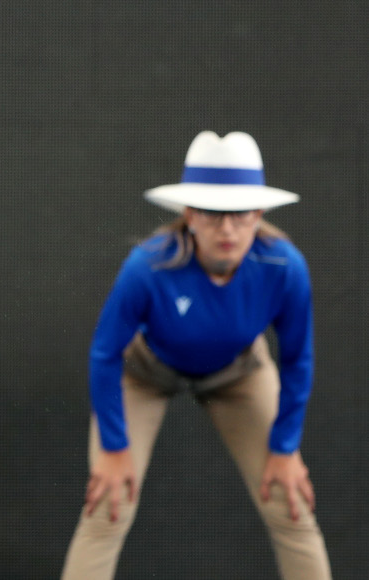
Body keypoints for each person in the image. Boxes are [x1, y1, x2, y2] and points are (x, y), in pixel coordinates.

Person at [60, 131, 331, 580]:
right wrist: (113, 447)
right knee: (108, 503)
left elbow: (297, 359)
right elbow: (105, 352)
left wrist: (285, 448)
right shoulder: (148, 266)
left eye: (240, 214)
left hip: (239, 373)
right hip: (146, 372)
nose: (227, 230)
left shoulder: (285, 268)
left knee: (291, 502)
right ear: (189, 214)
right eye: (212, 213)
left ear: (258, 214)